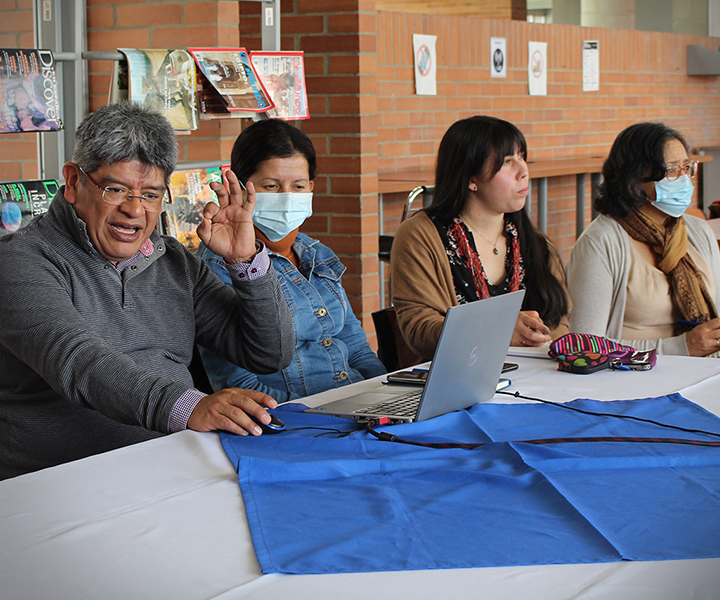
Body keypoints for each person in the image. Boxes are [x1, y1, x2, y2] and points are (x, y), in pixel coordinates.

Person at [0, 103, 294, 480]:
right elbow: (77, 361)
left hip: (176, 467)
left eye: (152, 194)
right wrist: (190, 408)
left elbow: (271, 353)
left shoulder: (173, 260)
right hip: (57, 487)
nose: (134, 210)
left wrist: (246, 262)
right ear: (73, 182)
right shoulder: (19, 261)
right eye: (116, 189)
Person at [198, 119, 386, 402]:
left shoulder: (317, 253)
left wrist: (384, 395)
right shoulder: (220, 268)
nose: (287, 198)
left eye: (298, 187)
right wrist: (325, 412)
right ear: (238, 185)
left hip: (357, 406)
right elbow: (239, 387)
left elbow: (356, 348)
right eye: (272, 186)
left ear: (311, 187)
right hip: (297, 420)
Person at [390, 115, 569, 360]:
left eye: (522, 157)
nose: (524, 171)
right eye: (507, 161)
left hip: (534, 380)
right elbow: (419, 330)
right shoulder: (421, 236)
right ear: (471, 178)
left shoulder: (533, 242)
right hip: (457, 383)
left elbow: (559, 321)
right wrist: (497, 329)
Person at [566, 122, 720, 356]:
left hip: (704, 369)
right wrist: (682, 347)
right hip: (632, 377)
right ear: (634, 180)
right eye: (671, 171)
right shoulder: (600, 242)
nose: (684, 179)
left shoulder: (698, 231)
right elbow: (586, 345)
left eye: (686, 167)